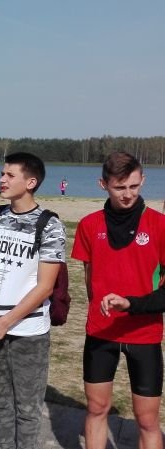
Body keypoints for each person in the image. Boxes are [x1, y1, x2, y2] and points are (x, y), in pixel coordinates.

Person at [71, 151, 165, 449]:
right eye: (120, 187)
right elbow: (89, 279)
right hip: (101, 333)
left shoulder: (160, 225)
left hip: (144, 334)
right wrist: (100, 308)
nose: (128, 194)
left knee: (147, 420)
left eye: (134, 186)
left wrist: (130, 304)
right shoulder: (88, 225)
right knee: (97, 409)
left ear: (143, 180)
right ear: (103, 185)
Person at [0, 152, 66, 449]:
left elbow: (46, 286)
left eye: (9, 175)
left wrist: (6, 322)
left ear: (30, 182)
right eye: (2, 174)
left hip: (29, 332)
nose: (1, 180)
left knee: (27, 407)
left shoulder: (49, 225)